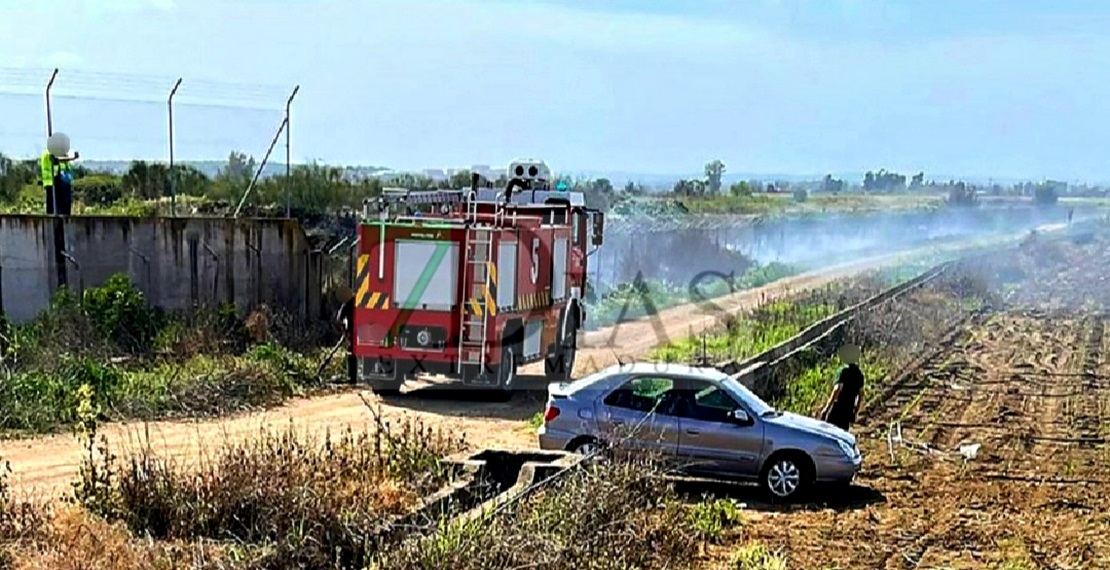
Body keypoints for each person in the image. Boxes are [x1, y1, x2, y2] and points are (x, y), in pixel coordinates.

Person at [819, 344, 865, 432]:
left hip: (837, 408)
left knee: (828, 431)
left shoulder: (843, 371)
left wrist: (826, 408)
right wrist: (855, 411)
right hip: (848, 409)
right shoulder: (859, 374)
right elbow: (860, 395)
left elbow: (837, 389)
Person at [40, 132, 79, 216]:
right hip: (52, 181)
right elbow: (58, 160)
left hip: (60, 181)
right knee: (55, 206)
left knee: (60, 206)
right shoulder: (49, 153)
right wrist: (72, 158)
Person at [334, 284, 356, 384]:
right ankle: (352, 377)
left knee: (351, 353)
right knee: (352, 353)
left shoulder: (348, 302)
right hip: (356, 331)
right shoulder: (362, 300)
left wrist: (344, 330)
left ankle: (352, 377)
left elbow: (339, 319)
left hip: (352, 332)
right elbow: (339, 319)